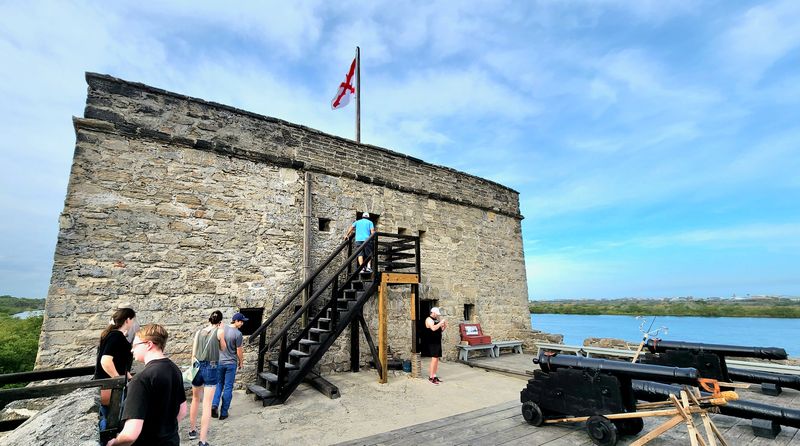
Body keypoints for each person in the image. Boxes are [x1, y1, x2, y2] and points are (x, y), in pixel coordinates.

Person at [106, 324, 187, 446]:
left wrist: (113, 443)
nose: (132, 350)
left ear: (149, 345)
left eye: (134, 345)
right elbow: (182, 410)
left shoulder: (141, 379)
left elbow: (130, 435)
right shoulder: (174, 369)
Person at [188, 310, 227, 446]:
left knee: (195, 399)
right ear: (220, 322)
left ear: (209, 320)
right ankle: (202, 440)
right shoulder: (219, 331)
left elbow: (193, 354)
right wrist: (221, 332)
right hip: (211, 367)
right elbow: (223, 348)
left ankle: (192, 430)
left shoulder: (199, 332)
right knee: (207, 404)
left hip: (197, 367)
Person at [95, 307, 136, 429]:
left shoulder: (112, 335)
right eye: (133, 320)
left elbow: (120, 364)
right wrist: (119, 380)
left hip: (107, 387)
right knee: (110, 423)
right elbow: (106, 361)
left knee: (109, 421)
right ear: (128, 320)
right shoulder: (116, 336)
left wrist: (130, 379)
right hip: (110, 389)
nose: (133, 323)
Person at [211, 312, 247, 420]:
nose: (242, 324)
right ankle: (224, 413)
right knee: (228, 387)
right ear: (235, 321)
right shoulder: (238, 334)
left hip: (220, 362)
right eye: (241, 321)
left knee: (219, 384)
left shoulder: (222, 328)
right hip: (231, 364)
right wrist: (241, 362)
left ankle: (214, 404)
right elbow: (239, 350)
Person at [424, 307, 447, 385]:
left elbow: (440, 330)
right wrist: (440, 323)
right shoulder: (429, 319)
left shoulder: (436, 319)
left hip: (437, 341)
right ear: (433, 313)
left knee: (436, 359)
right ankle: (431, 377)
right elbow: (433, 328)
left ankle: (434, 375)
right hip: (432, 342)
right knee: (434, 359)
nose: (437, 316)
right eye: (436, 314)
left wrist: (444, 325)